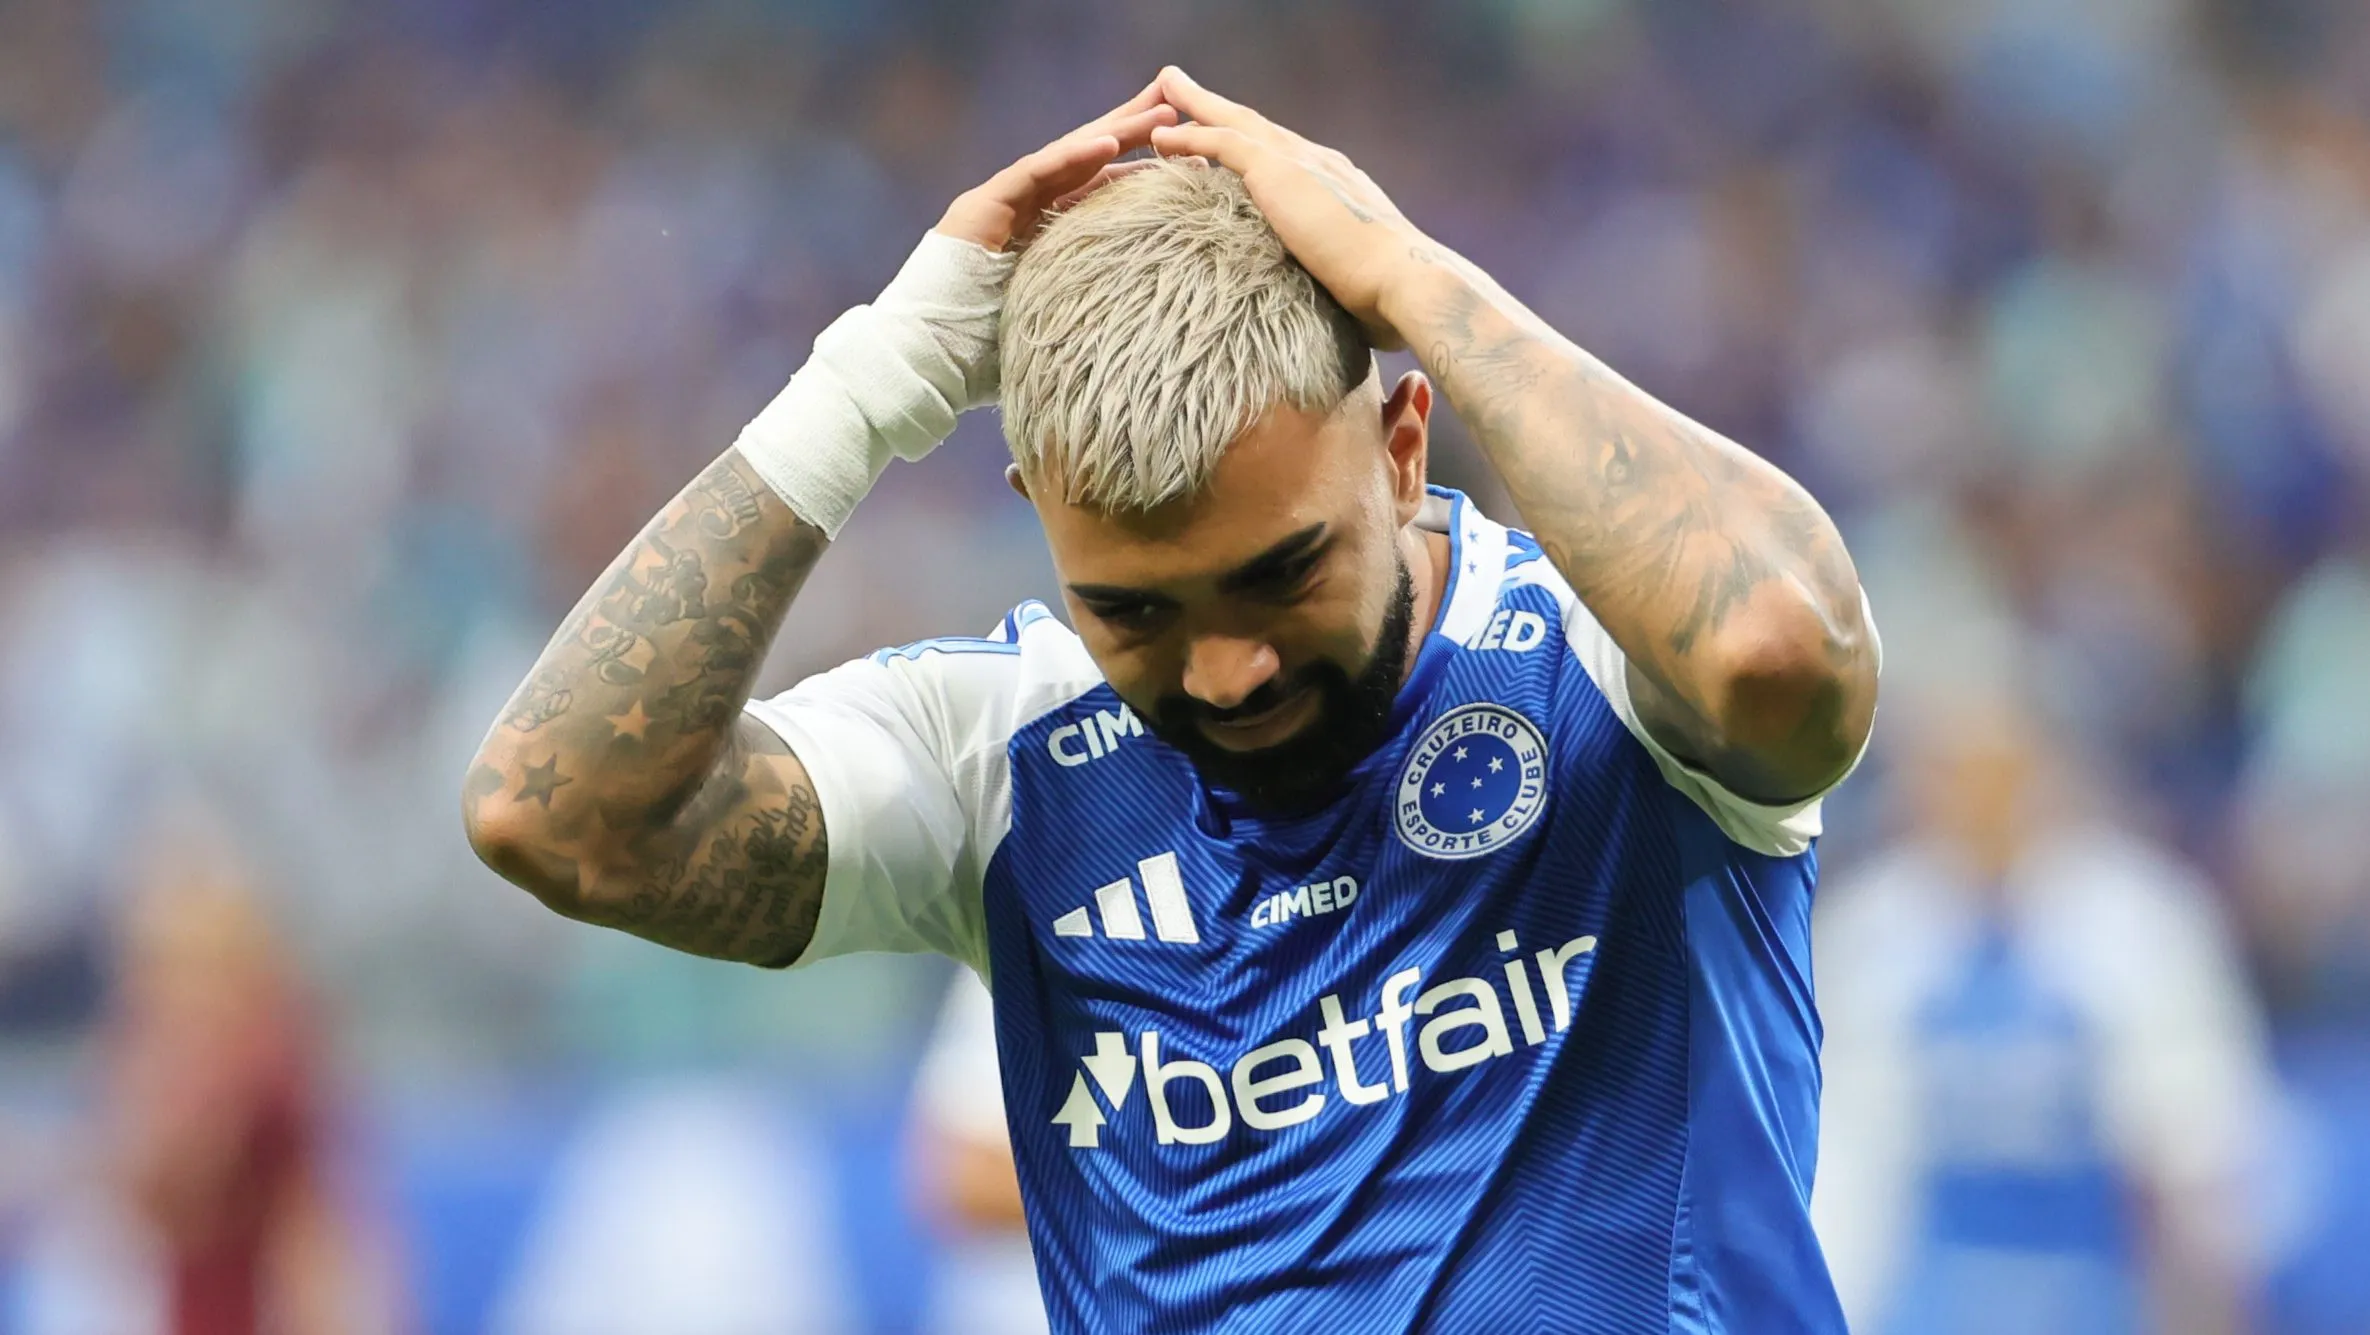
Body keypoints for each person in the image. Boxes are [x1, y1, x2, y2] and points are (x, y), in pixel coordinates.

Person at [464, 69, 1881, 1331]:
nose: (1225, 670)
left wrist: (1411, 284)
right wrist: (867, 383)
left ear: (1398, 448)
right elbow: (560, 811)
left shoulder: (1607, 651)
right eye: (1134, 608)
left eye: (1280, 574)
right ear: (1038, 516)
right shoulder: (1003, 760)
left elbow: (1778, 653)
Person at [1812, 690, 2274, 1335]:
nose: (1980, 802)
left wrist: (2207, 1291)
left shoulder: (2142, 920)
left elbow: (2204, 1142)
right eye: (1952, 775)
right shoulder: (1868, 932)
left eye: (2003, 774)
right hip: (1921, 1290)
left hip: (2101, 1286)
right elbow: (1841, 1160)